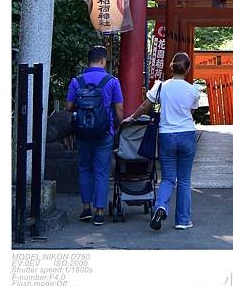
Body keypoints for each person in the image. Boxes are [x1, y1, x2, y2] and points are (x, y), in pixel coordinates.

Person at [127, 52, 200, 231]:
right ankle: (183, 220)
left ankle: (160, 206)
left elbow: (146, 105)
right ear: (188, 69)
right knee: (184, 180)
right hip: (187, 135)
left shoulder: (161, 87)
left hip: (167, 135)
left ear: (171, 67)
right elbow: (191, 111)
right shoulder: (193, 90)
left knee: (168, 178)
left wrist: (132, 117)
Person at [66, 45, 124, 225]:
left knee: (84, 168)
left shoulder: (77, 81)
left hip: (83, 132)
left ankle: (85, 209)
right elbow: (120, 110)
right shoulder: (112, 81)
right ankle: (99, 212)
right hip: (104, 132)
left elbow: (68, 107)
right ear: (102, 61)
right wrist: (117, 125)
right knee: (102, 171)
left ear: (88, 60)